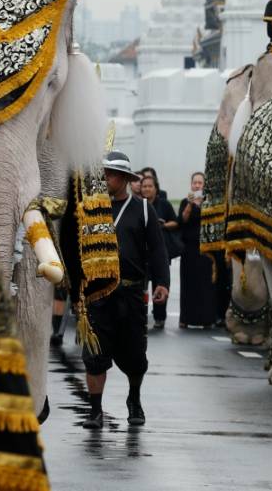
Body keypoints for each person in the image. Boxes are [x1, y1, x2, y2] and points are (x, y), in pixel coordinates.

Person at [82, 151, 170, 429]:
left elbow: (157, 250)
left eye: (110, 174)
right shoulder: (93, 208)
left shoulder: (144, 209)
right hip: (97, 294)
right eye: (103, 173)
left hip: (131, 294)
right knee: (94, 355)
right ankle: (95, 410)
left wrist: (162, 283)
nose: (105, 179)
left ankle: (134, 398)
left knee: (135, 357)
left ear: (124, 178)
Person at [178, 172, 219, 328]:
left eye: (200, 183)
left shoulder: (210, 203)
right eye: (194, 182)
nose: (197, 185)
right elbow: (183, 220)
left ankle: (206, 318)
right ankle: (186, 318)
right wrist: (190, 203)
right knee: (188, 284)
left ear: (204, 185)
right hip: (189, 249)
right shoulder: (184, 202)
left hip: (206, 249)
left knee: (205, 285)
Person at [141, 170, 179, 330]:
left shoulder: (164, 204)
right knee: (141, 288)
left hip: (160, 252)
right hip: (142, 254)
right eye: (144, 186)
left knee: (160, 284)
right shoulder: (137, 204)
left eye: (150, 186)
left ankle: (159, 317)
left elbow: (176, 222)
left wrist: (162, 225)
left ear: (156, 188)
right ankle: (140, 315)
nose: (147, 189)